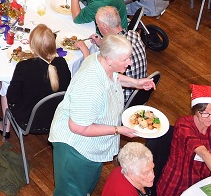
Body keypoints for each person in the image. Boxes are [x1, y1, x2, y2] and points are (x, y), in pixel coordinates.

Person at [48, 34, 153, 196]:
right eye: (125, 59)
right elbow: (77, 127)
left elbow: (113, 76)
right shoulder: (91, 87)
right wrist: (119, 130)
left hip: (92, 146)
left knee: (85, 186)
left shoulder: (98, 59)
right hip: (75, 149)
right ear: (109, 58)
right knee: (71, 191)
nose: (130, 62)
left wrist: (136, 83)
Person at [0, 23, 71, 136]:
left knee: (4, 89)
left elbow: (12, 97)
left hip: (28, 120)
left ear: (32, 47)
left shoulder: (24, 67)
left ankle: (5, 128)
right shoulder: (62, 63)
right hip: (56, 116)